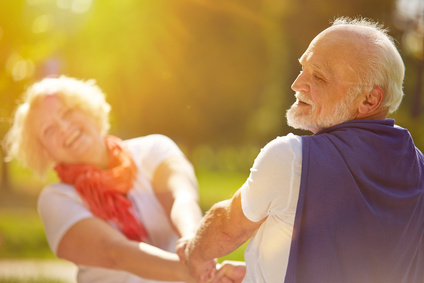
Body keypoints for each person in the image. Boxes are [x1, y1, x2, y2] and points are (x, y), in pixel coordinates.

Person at [177, 17, 424, 283]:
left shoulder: (291, 157)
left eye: (318, 76)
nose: (297, 84)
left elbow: (227, 229)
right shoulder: (419, 168)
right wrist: (257, 270)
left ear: (369, 99)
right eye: (302, 68)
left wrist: (194, 252)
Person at [3, 76, 207, 283]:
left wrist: (194, 243)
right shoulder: (56, 199)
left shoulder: (154, 149)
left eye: (67, 113)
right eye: (49, 130)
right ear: (44, 152)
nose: (63, 128)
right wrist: (198, 273)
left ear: (88, 109)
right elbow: (115, 253)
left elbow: (181, 198)